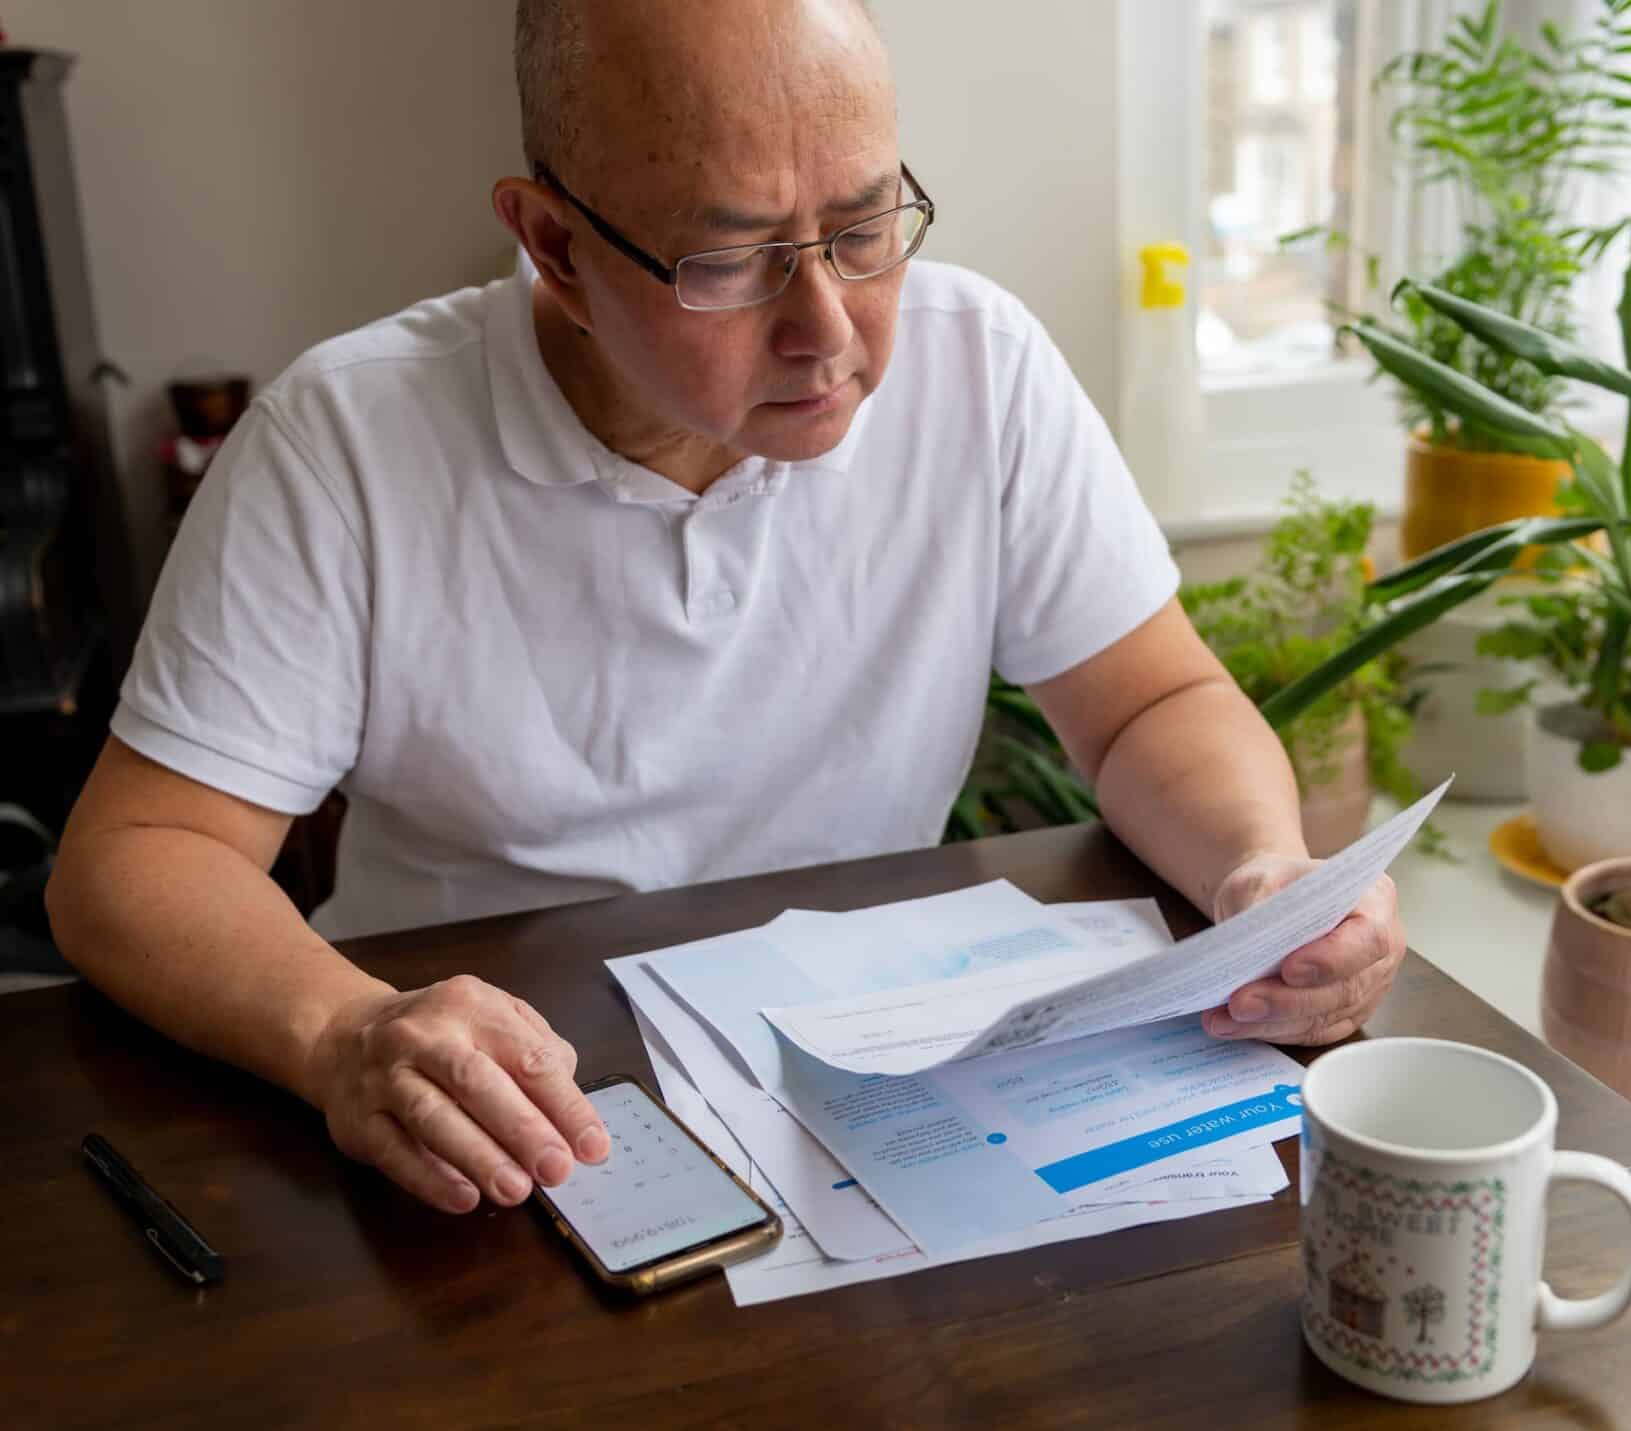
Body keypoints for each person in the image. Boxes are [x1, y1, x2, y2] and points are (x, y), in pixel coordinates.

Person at [46, 0, 1406, 1218]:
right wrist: (344, 1033)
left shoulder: (979, 365)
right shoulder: (347, 439)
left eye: (866, 227)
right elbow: (138, 858)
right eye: (733, 260)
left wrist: (1259, 875)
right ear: (556, 245)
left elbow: (1149, 702)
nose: (831, 326)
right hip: (508, 1119)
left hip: (874, 1083)